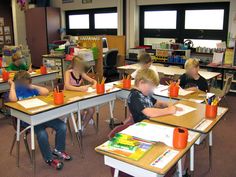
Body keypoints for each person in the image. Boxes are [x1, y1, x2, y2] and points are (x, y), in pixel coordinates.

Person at [128, 69, 190, 177]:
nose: (152, 89)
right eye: (151, 86)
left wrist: (169, 105)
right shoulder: (134, 96)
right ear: (141, 82)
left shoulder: (144, 93)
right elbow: (149, 112)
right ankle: (179, 172)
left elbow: (156, 103)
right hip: (143, 131)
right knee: (178, 140)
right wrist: (168, 111)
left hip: (153, 125)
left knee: (181, 138)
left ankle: (180, 171)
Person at [8, 71, 71, 170]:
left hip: (42, 117)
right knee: (42, 134)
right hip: (29, 121)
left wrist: (33, 86)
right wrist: (12, 85)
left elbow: (46, 91)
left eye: (26, 82)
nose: (23, 85)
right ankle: (49, 159)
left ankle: (59, 150)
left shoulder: (31, 89)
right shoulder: (15, 91)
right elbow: (12, 99)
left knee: (62, 126)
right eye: (21, 83)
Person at [64, 56, 97, 129]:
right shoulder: (68, 73)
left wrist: (94, 84)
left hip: (78, 96)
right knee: (81, 110)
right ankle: (82, 118)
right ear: (74, 65)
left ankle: (82, 127)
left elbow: (93, 81)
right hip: (69, 97)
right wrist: (79, 89)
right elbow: (67, 86)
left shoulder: (81, 73)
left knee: (92, 109)